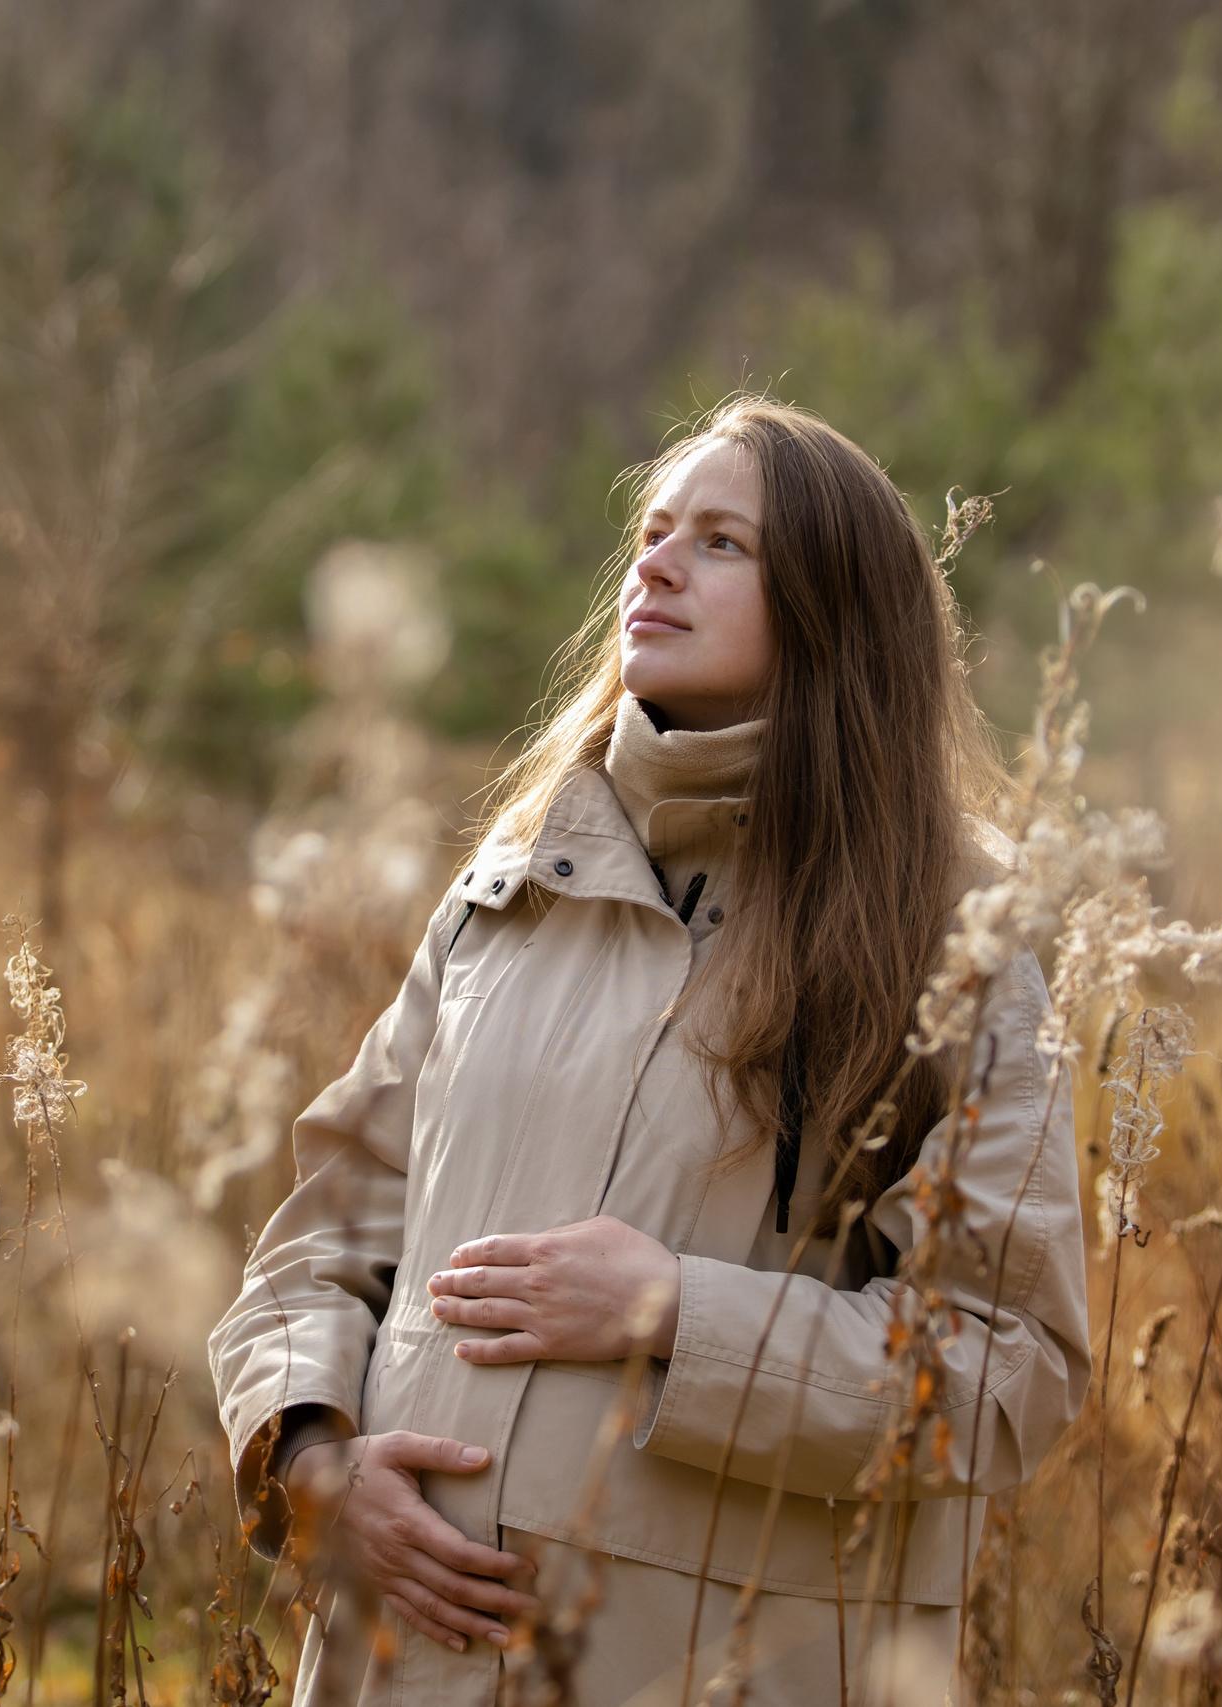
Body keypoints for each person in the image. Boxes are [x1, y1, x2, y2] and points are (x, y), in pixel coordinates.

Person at [209, 397, 1090, 1705]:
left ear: (838, 609)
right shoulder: (512, 890)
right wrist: (313, 1460)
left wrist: (677, 1313)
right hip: (405, 1668)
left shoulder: (950, 936)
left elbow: (1011, 1365)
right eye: (653, 529)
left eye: (723, 542)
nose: (658, 563)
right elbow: (328, 1228)